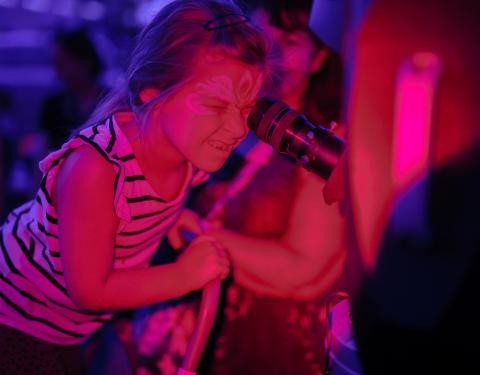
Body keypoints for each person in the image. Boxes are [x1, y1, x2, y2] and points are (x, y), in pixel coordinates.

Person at [0, 1, 270, 374]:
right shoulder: (96, 169)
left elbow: (135, 213)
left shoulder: (188, 151)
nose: (239, 129)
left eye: (246, 109)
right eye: (215, 105)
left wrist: (166, 221)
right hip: (17, 319)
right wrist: (182, 275)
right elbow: (90, 291)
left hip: (71, 328)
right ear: (150, 92)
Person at [132, 1, 347, 374]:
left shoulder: (315, 144)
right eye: (265, 38)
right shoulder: (229, 119)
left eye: (292, 42)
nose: (274, 53)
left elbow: (303, 270)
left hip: (275, 348)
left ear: (319, 57)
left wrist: (195, 229)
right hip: (215, 332)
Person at [40, 28, 106, 150]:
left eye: (63, 62)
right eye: (56, 64)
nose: (58, 72)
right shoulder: (53, 106)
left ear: (85, 61)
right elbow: (43, 151)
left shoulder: (111, 102)